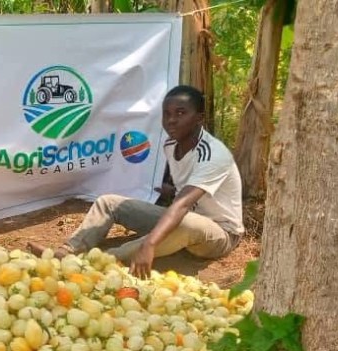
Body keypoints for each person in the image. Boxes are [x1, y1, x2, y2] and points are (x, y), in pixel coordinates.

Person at [29, 85, 243, 278]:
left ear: (199, 118)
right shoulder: (171, 144)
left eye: (180, 113)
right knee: (108, 202)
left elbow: (183, 205)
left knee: (185, 220)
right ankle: (66, 251)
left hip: (220, 234)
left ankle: (94, 263)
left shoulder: (213, 155)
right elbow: (186, 191)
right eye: (167, 114)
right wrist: (171, 191)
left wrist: (150, 244)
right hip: (188, 218)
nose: (171, 120)